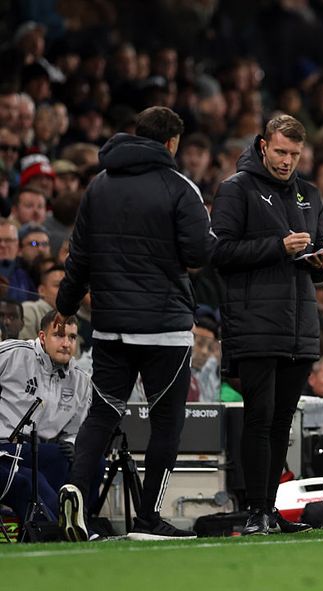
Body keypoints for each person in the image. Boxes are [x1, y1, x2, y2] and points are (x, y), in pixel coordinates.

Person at [54, 106, 212, 542]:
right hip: (166, 329)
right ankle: (148, 518)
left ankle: (76, 491)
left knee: (101, 416)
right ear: (172, 143)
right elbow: (199, 253)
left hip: (111, 327)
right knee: (166, 425)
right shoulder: (180, 186)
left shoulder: (99, 185)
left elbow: (79, 256)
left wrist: (65, 306)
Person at [210, 114, 323, 536]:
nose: (287, 161)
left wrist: (322, 262)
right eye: (280, 152)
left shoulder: (309, 194)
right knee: (259, 419)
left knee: (282, 422)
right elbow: (219, 252)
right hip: (254, 322)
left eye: (294, 154)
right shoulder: (236, 189)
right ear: (263, 146)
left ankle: (271, 509)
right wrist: (278, 247)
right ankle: (255, 511)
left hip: (299, 323)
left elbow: (320, 258)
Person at [0, 311, 90, 523]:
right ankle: (67, 525)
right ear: (42, 337)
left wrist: (71, 443)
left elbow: (74, 429)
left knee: (88, 463)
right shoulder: (14, 353)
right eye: (59, 335)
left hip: (38, 448)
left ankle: (76, 520)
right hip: (5, 446)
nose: (66, 343)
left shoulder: (81, 380)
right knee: (37, 476)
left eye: (72, 337)